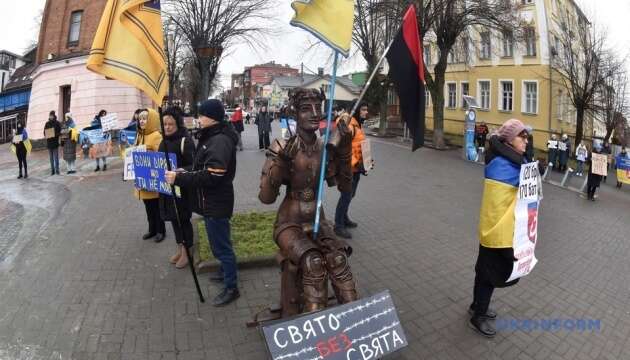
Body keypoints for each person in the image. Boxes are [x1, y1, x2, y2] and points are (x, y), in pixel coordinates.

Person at [165, 99, 240, 306]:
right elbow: (201, 167)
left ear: (211, 117)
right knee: (220, 243)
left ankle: (232, 287)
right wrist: (184, 171)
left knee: (221, 247)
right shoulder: (212, 137)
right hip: (211, 201)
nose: (198, 118)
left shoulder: (219, 141)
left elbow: (213, 175)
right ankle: (225, 272)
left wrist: (179, 179)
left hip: (216, 201)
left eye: (201, 115)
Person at [469, 119, 529, 338]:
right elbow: (501, 203)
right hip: (498, 230)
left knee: (483, 269)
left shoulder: (509, 161)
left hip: (494, 228)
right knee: (489, 274)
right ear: (509, 140)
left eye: (526, 137)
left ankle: (477, 306)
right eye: (521, 136)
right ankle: (479, 316)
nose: (526, 141)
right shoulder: (503, 165)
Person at [158, 108, 196, 268]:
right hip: (166, 189)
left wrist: (179, 172)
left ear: (178, 124)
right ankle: (180, 248)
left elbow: (194, 165)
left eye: (170, 124)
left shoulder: (185, 141)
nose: (167, 127)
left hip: (181, 189)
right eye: (165, 124)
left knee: (183, 220)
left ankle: (188, 251)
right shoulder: (163, 140)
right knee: (173, 219)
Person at [334, 102, 369, 239]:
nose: (366, 112)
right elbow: (343, 150)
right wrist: (356, 163)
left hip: (356, 169)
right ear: (356, 110)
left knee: (351, 195)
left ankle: (344, 218)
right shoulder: (347, 124)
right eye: (364, 109)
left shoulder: (357, 124)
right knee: (346, 196)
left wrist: (366, 163)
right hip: (347, 169)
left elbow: (359, 146)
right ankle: (338, 225)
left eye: (366, 109)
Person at [135, 109, 166, 242]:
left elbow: (161, 157)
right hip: (142, 177)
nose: (142, 121)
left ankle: (160, 231)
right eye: (140, 118)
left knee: (156, 207)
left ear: (151, 120)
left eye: (145, 118)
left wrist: (148, 154)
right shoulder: (139, 135)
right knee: (148, 207)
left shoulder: (156, 135)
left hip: (152, 178)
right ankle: (152, 229)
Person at [44, 110, 62, 175]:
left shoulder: (57, 123)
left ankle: (57, 170)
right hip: (49, 143)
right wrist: (47, 135)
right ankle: (52, 170)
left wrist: (54, 134)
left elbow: (59, 132)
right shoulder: (47, 123)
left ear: (54, 116)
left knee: (56, 157)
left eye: (51, 115)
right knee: (51, 158)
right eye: (50, 115)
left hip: (55, 143)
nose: (50, 117)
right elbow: (44, 132)